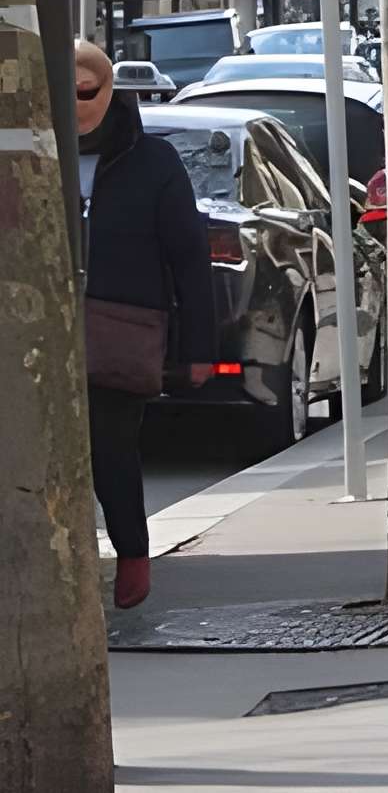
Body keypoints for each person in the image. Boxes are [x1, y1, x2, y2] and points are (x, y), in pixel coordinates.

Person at [74, 39, 217, 608]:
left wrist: (198, 347)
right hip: (37, 334)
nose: (79, 105)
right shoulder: (31, 149)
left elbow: (188, 254)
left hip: (119, 329)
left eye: (88, 91)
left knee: (111, 448)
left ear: (109, 91)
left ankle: (132, 548)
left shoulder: (152, 159)